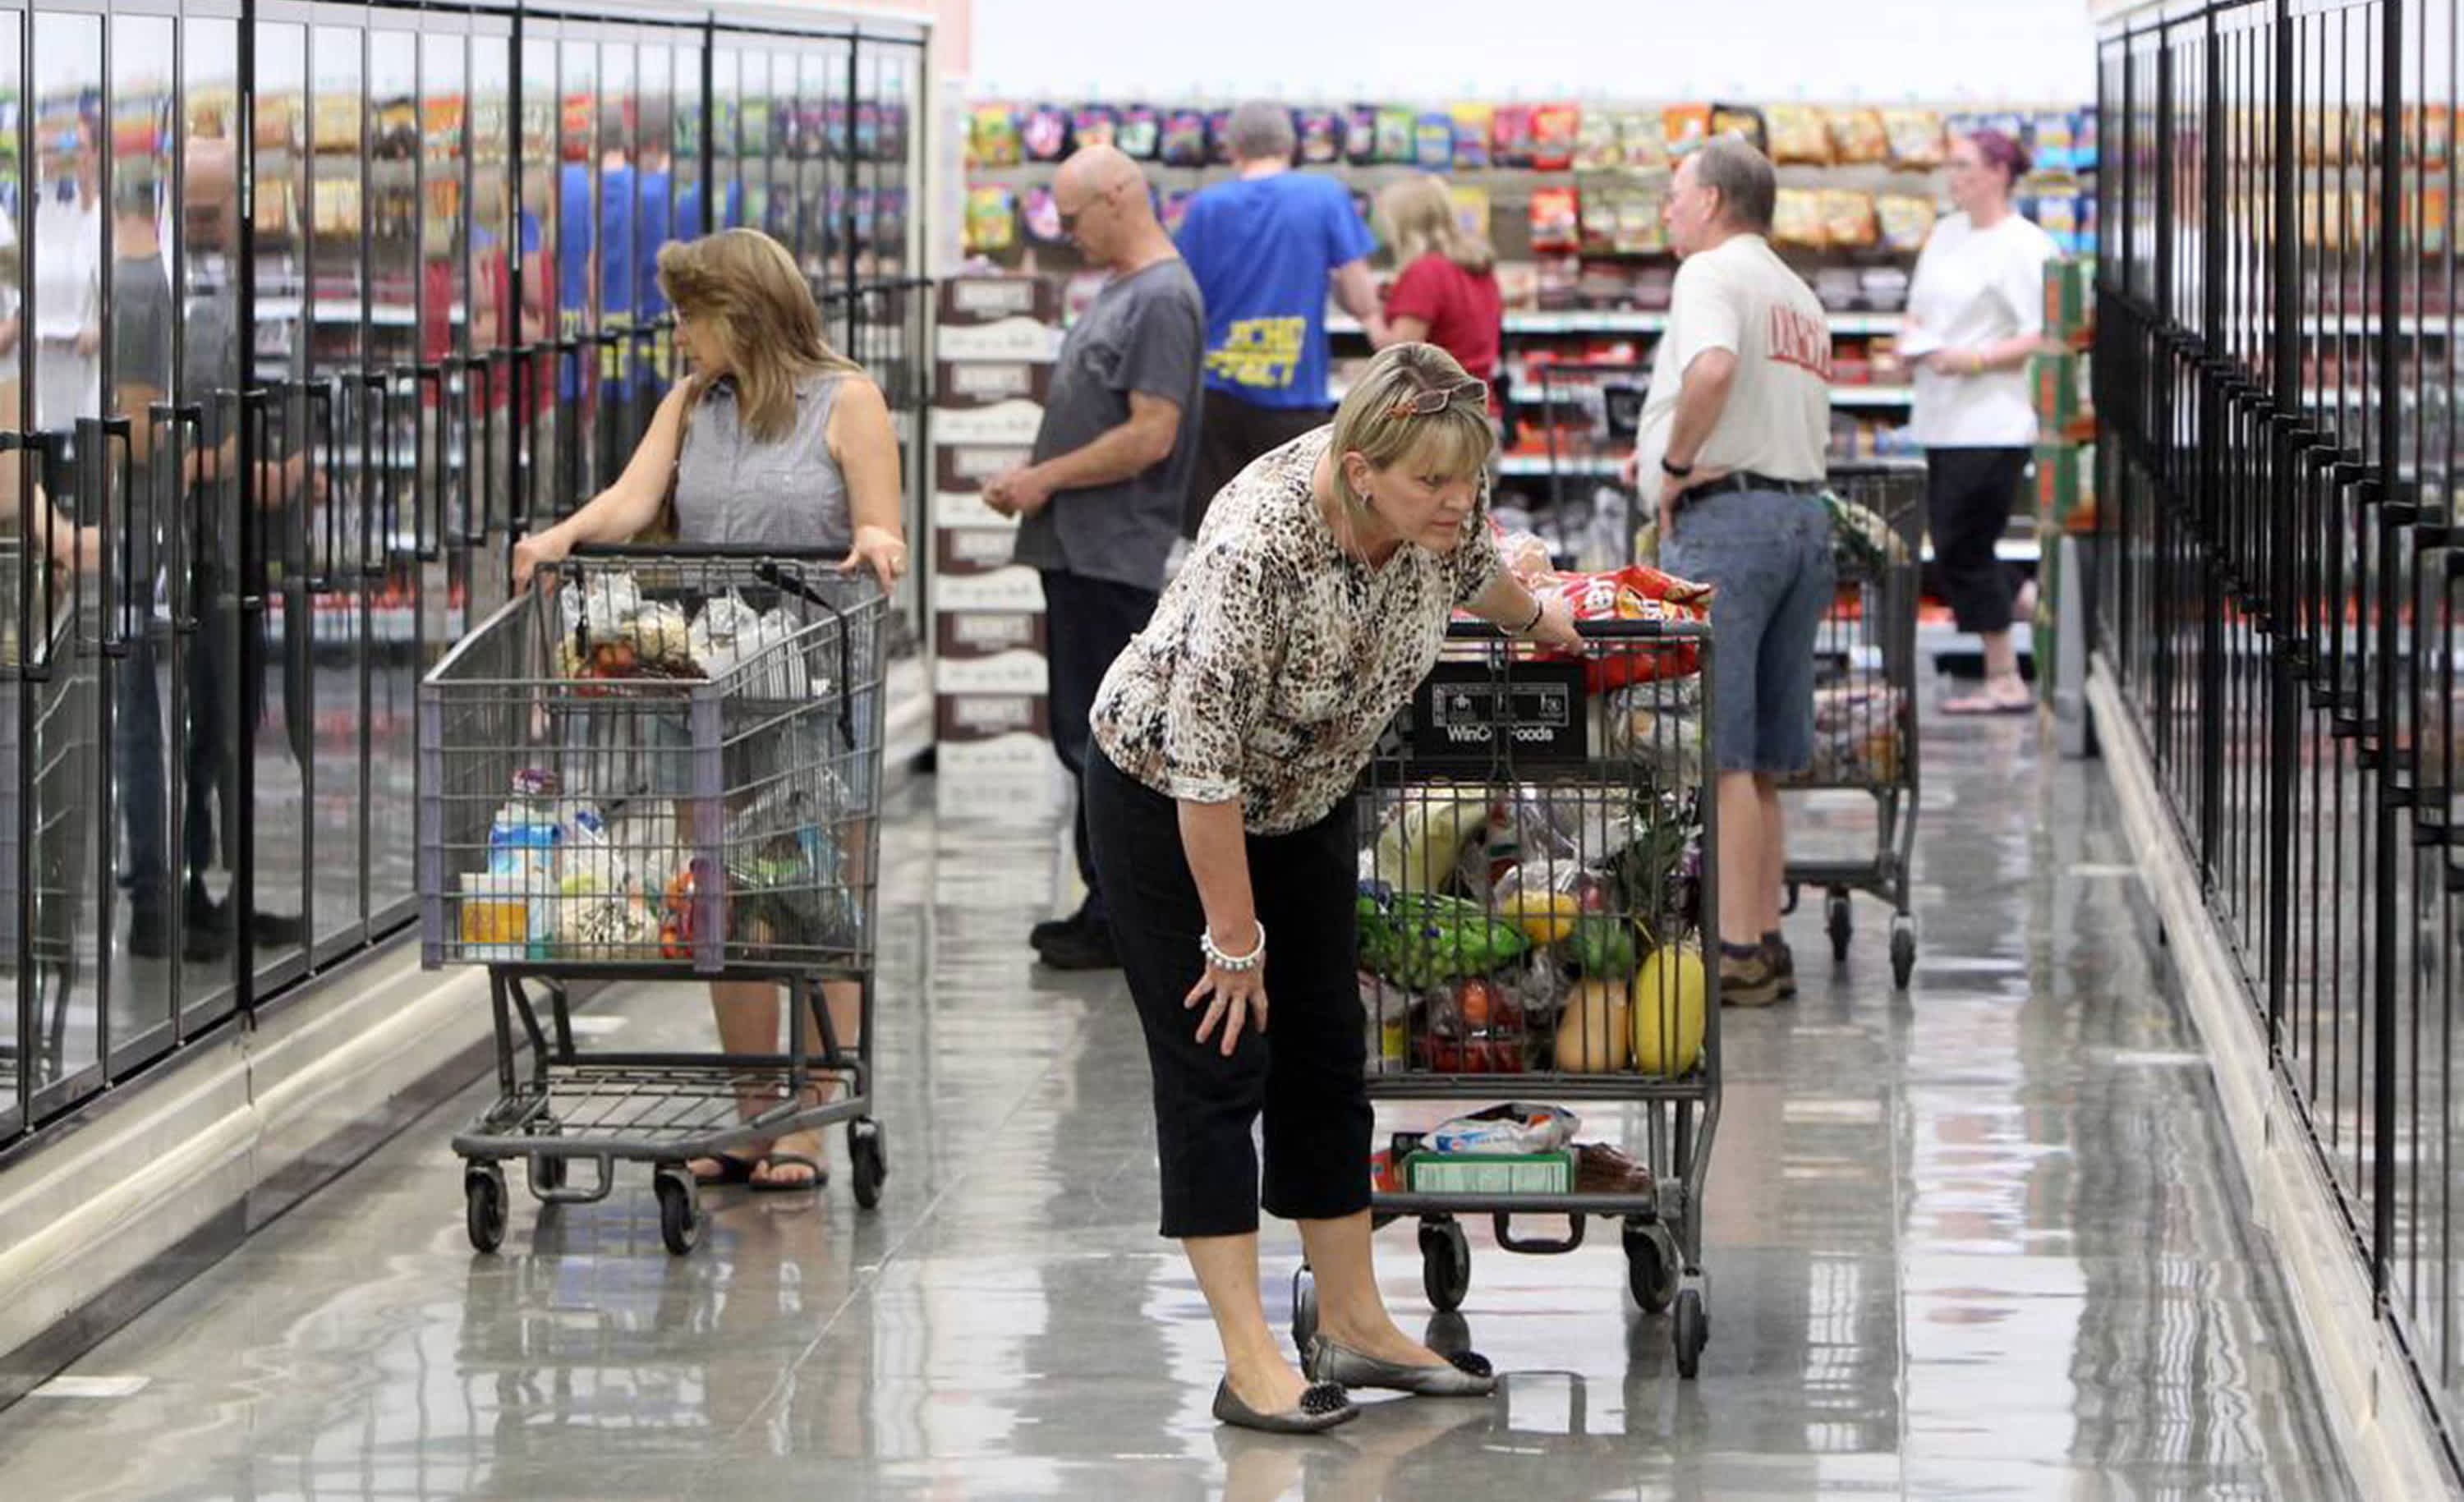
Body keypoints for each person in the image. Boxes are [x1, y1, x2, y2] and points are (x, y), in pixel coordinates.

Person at [1083, 342, 1580, 1433]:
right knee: (1220, 1055)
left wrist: (1538, 617)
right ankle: (1247, 1354)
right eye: (1433, 486)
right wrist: (1232, 936)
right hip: (1172, 801)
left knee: (1322, 1051)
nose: (1458, 503)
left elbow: (1480, 568)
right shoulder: (1258, 545)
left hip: (1303, 800)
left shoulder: (1439, 512)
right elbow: (1203, 764)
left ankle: (1355, 1321)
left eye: (1469, 481)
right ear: (1362, 469)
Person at [513, 227, 907, 1193]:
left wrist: (874, 542)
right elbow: (632, 498)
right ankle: (750, 1111)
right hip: (708, 686)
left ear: (744, 313)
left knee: (812, 902)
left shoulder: (847, 401)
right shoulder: (691, 404)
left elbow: (880, 520)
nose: (680, 335)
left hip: (815, 691)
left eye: (692, 316)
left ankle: (810, 1113)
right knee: (721, 901)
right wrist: (560, 537)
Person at [1629, 137, 1837, 1009]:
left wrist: (1672, 467)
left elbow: (1711, 367)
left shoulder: (1711, 275)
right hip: (1801, 519)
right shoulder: (1797, 291)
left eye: (1676, 194)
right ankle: (1769, 941)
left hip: (1731, 525)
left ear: (1712, 199)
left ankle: (1735, 950)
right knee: (1761, 764)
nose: (1668, 209)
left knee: (1724, 753)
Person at [984, 145, 1203, 973]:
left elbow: (1153, 433)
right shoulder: (1128, 290)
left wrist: (1044, 477)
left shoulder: (1162, 299)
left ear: (1118, 197)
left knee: (1109, 739)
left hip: (1115, 552)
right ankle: (1106, 901)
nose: (1067, 234)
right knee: (1088, 735)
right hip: (1084, 550)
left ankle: (1121, 913)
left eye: (1073, 219)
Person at [1173, 102, 1386, 539]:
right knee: (1297, 534)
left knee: (1218, 533)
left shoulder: (1206, 207)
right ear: (1291, 145)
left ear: (1234, 149)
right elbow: (1359, 295)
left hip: (1217, 397)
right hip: (1293, 397)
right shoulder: (1323, 196)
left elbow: (1182, 298)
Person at [1903, 128, 2060, 714]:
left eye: (1965, 165)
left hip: (1995, 417)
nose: (1954, 176)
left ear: (1999, 172)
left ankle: (2005, 677)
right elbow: (1919, 309)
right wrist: (1912, 342)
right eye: (1951, 165)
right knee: (1956, 544)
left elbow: (2046, 331)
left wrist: (1973, 358)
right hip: (1940, 416)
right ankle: (2045, 609)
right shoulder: (1945, 235)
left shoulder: (2026, 246)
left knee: (1962, 547)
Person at [1369, 175, 1502, 393]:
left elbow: (1400, 359)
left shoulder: (1424, 272)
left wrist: (1369, 316)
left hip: (1437, 412)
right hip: (1475, 404)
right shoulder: (1477, 265)